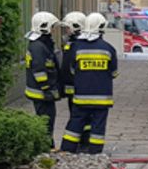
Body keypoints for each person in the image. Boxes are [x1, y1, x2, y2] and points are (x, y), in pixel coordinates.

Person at [61, 13, 117, 154]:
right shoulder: (109, 49)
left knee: (75, 122)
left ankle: (67, 150)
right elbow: (114, 73)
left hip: (81, 96)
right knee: (98, 125)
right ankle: (95, 152)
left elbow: (72, 70)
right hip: (102, 98)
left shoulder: (77, 47)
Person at [24, 12, 61, 144]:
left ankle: (46, 143)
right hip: (41, 91)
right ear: (44, 27)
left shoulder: (38, 44)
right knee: (46, 119)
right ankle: (45, 145)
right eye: (52, 27)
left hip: (40, 90)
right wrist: (46, 88)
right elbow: (39, 69)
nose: (52, 30)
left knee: (46, 118)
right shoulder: (39, 47)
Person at [58, 11, 89, 149]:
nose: (66, 31)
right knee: (78, 115)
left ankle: (78, 143)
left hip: (77, 89)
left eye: (67, 27)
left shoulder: (78, 45)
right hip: (73, 89)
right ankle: (82, 141)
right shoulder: (73, 43)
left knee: (79, 116)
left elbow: (71, 69)